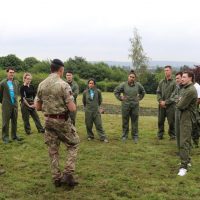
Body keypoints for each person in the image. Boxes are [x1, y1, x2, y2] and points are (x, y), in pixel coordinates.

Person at [35, 59, 80, 187]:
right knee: (74, 143)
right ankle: (68, 173)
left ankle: (56, 178)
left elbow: (37, 107)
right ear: (61, 70)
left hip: (48, 121)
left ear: (51, 69)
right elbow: (72, 108)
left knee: (53, 150)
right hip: (62, 121)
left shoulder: (41, 84)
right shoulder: (64, 85)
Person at [114, 70, 145, 143]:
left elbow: (143, 92)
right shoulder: (123, 85)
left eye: (133, 77)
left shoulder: (138, 85)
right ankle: (124, 136)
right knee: (125, 121)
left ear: (135, 78)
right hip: (125, 106)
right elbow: (116, 91)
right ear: (128, 77)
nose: (132, 78)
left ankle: (135, 136)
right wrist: (120, 98)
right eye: (130, 77)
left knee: (135, 121)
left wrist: (139, 98)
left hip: (135, 106)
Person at [176, 71, 197, 176]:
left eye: (184, 77)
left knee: (184, 142)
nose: (182, 79)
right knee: (186, 140)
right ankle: (187, 161)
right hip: (184, 117)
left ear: (190, 78)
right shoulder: (185, 88)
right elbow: (178, 100)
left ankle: (183, 167)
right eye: (182, 77)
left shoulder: (190, 90)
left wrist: (179, 101)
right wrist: (179, 100)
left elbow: (180, 106)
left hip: (187, 118)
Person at [0, 67, 22, 144]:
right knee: (5, 122)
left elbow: (17, 93)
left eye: (13, 72)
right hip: (6, 105)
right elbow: (0, 95)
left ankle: (14, 136)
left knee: (14, 121)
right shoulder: (3, 83)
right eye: (10, 72)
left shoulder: (16, 82)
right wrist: (4, 102)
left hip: (15, 105)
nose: (12, 74)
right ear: (7, 73)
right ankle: (5, 137)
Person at [82, 78, 108, 142]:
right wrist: (87, 107)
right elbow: (84, 101)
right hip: (88, 111)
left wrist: (96, 106)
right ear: (88, 84)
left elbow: (100, 100)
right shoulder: (85, 92)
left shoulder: (98, 91)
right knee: (88, 124)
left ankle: (103, 137)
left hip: (96, 110)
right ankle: (90, 136)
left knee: (99, 124)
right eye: (90, 83)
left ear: (94, 84)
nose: (91, 84)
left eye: (92, 83)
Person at [156, 65, 176, 140]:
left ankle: (172, 135)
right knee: (160, 121)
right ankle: (160, 134)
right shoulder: (161, 82)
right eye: (165, 70)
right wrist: (160, 101)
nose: (166, 72)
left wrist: (166, 102)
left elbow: (175, 95)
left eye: (167, 70)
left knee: (171, 122)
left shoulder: (174, 83)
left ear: (171, 71)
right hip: (161, 105)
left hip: (170, 106)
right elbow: (158, 92)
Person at [170, 72, 183, 150]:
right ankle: (179, 148)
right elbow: (172, 97)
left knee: (184, 131)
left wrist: (179, 99)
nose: (176, 80)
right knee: (177, 130)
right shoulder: (177, 87)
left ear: (182, 78)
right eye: (176, 78)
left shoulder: (186, 88)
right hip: (177, 110)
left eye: (178, 78)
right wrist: (178, 98)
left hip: (184, 112)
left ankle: (186, 148)